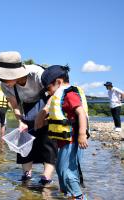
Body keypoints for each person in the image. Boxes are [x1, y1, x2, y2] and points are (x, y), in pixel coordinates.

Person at [0, 51, 57, 185]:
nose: (2, 81)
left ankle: (46, 177)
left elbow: (55, 94)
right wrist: (21, 121)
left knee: (48, 140)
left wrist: (43, 115)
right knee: (24, 138)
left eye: (4, 78)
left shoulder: (37, 74)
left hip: (48, 103)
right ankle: (27, 174)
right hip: (27, 107)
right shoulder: (5, 85)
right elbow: (14, 104)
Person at [41, 65, 89, 199]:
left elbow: (81, 113)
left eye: (48, 88)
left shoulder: (70, 95)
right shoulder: (60, 96)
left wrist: (82, 134)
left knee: (68, 171)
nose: (47, 92)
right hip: (64, 141)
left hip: (73, 140)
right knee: (60, 168)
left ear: (58, 82)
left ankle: (78, 196)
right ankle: (68, 194)